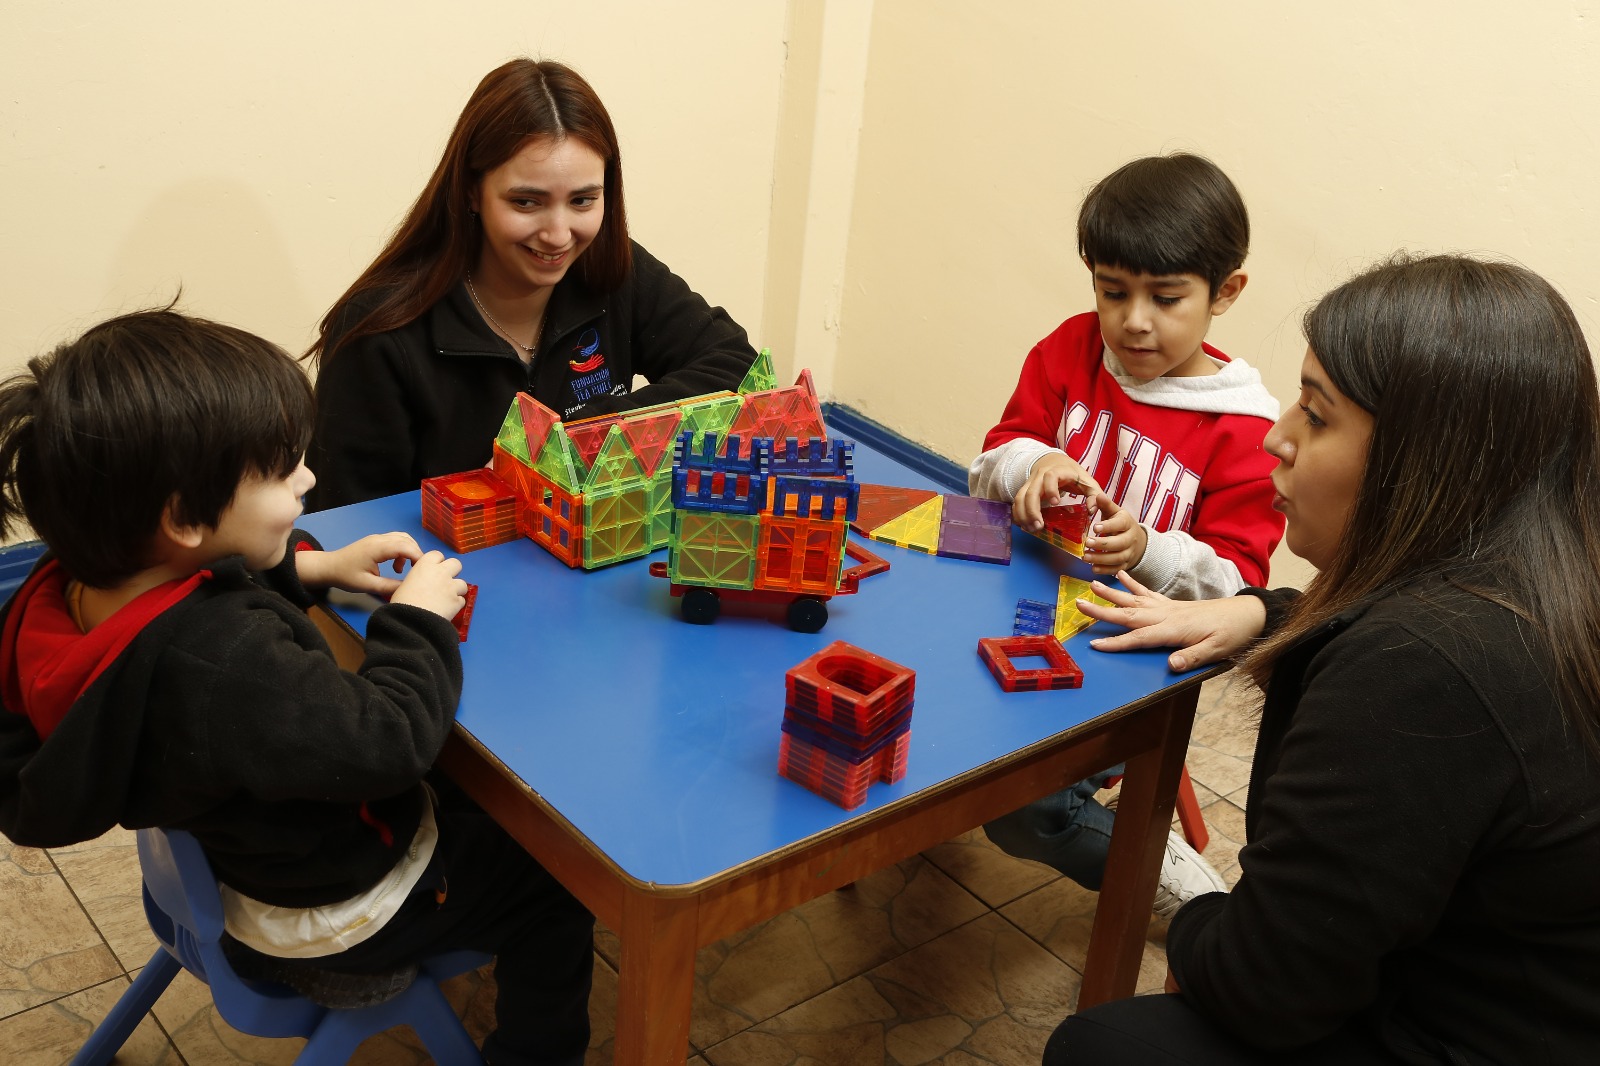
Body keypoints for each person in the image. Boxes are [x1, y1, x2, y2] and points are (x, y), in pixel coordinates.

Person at [1045, 254, 1600, 1065]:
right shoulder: (1539, 591)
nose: (1278, 438)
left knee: (1103, 1044)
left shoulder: (1421, 672)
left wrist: (1198, 910)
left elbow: (1265, 990)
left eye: (1316, 413)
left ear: (1429, 458)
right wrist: (1263, 613)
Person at [0, 309, 594, 1066]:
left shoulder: (64, 594)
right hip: (332, 913)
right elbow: (387, 744)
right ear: (182, 517)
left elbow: (187, 588)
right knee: (557, 885)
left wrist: (311, 566)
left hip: (234, 868)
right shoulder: (226, 660)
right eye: (283, 470)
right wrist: (417, 623)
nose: (308, 476)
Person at [971, 153, 1283, 917]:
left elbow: (1236, 588)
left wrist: (1148, 550)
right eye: (1113, 292)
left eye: (1166, 297)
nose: (1134, 319)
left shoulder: (1247, 429)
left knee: (1022, 808)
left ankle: (1163, 874)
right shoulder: (1070, 349)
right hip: (1021, 613)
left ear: (1226, 292)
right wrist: (1033, 463)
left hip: (1125, 664)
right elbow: (989, 463)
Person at [305, 58, 759, 511]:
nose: (558, 235)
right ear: (470, 191)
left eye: (582, 201)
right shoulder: (379, 331)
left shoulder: (614, 268)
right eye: (526, 202)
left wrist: (575, 438)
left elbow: (736, 366)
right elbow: (347, 534)